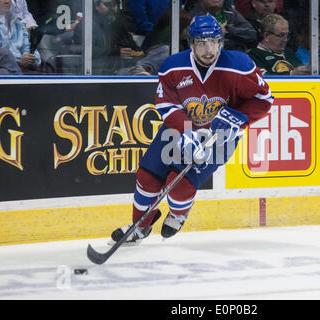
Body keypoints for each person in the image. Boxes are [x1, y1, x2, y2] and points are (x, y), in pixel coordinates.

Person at [110, 15, 273, 243]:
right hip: (177, 131)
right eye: (201, 43)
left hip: (219, 138)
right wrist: (186, 131)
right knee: (147, 177)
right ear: (191, 43)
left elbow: (264, 99)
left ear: (221, 42)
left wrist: (237, 117)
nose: (209, 49)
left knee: (179, 186)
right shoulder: (172, 67)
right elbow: (166, 104)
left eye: (214, 42)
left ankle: (178, 213)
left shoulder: (240, 66)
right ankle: (140, 227)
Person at [0, 0, 43, 73]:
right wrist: (19, 59)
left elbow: (31, 50)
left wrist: (30, 58)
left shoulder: (18, 23)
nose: (7, 1)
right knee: (2, 71)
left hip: (21, 68)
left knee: (39, 75)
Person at [187, 0, 257, 51]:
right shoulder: (193, 16)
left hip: (233, 57)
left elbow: (251, 34)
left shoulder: (231, 13)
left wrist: (227, 31)